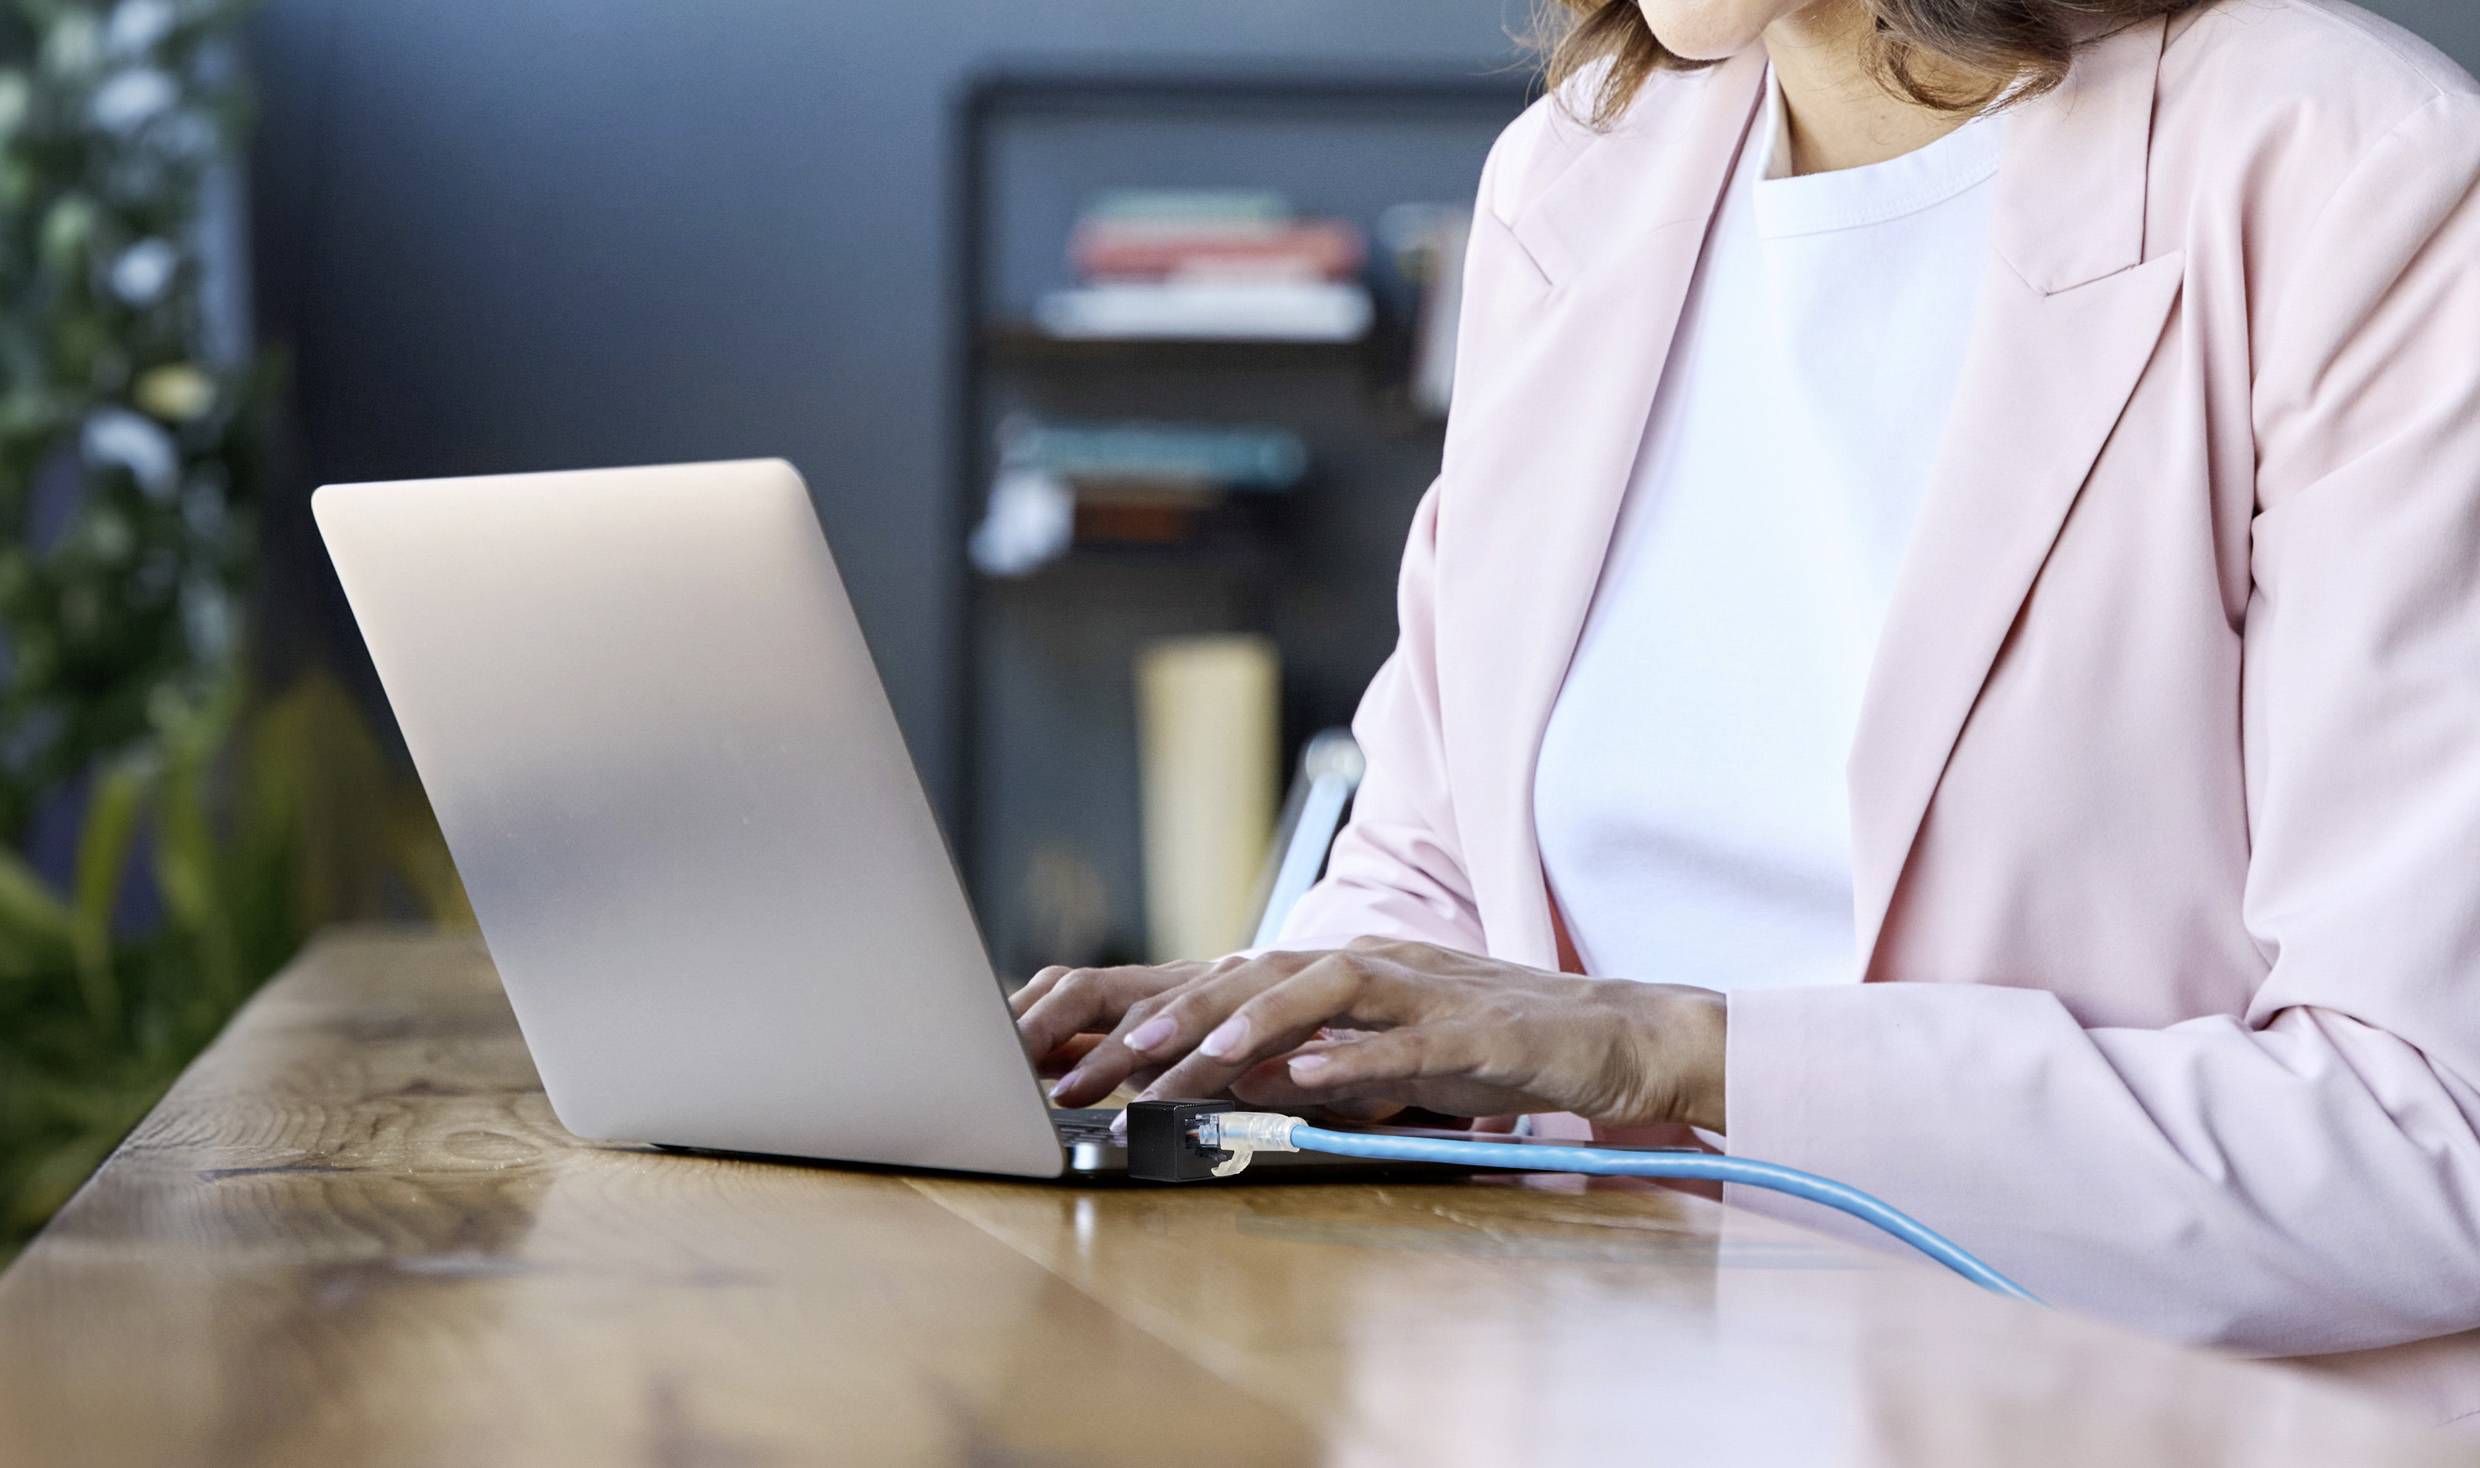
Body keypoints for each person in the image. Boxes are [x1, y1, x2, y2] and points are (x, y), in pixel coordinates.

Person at [1013, 0, 2480, 1423]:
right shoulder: (1581, 168)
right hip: (1556, 1377)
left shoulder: (2354, 169)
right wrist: (1246, 1045)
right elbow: (1435, 867)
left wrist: (1682, 1052)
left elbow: (2434, 1142)